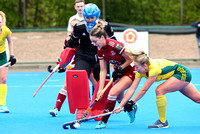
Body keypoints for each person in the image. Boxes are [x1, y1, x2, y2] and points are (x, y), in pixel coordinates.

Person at [114, 51, 200, 129]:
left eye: (136, 67)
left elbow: (144, 90)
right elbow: (132, 88)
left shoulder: (154, 69)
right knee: (197, 99)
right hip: (175, 76)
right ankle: (162, 122)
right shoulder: (141, 70)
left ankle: (163, 122)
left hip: (182, 73)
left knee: (160, 90)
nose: (135, 70)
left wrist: (132, 102)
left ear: (144, 65)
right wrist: (121, 105)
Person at [64, 3, 116, 119]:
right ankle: (82, 108)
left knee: (103, 81)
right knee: (79, 78)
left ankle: (98, 108)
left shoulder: (106, 26)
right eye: (87, 17)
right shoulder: (79, 26)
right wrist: (64, 54)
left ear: (97, 16)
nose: (89, 20)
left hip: (101, 56)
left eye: (92, 17)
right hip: (83, 55)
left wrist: (117, 60)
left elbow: (114, 43)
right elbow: (71, 43)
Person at [89, 21, 138, 129]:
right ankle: (131, 107)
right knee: (119, 97)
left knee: (112, 93)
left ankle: (103, 121)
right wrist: (100, 89)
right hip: (118, 72)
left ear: (102, 37)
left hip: (130, 71)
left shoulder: (115, 45)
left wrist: (121, 67)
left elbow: (130, 59)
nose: (93, 44)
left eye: (94, 41)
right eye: (92, 41)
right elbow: (103, 70)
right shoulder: (99, 49)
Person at [49, 19, 97, 117]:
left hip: (87, 62)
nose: (73, 28)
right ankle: (56, 108)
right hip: (74, 63)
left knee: (96, 84)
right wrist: (62, 64)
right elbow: (66, 53)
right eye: (71, 27)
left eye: (74, 26)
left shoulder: (88, 36)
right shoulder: (68, 39)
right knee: (66, 86)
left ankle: (102, 106)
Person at [0, 11, 16, 113]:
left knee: (3, 79)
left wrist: (12, 55)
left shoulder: (6, 30)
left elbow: (10, 42)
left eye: (0, 22)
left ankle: (2, 104)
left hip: (2, 56)